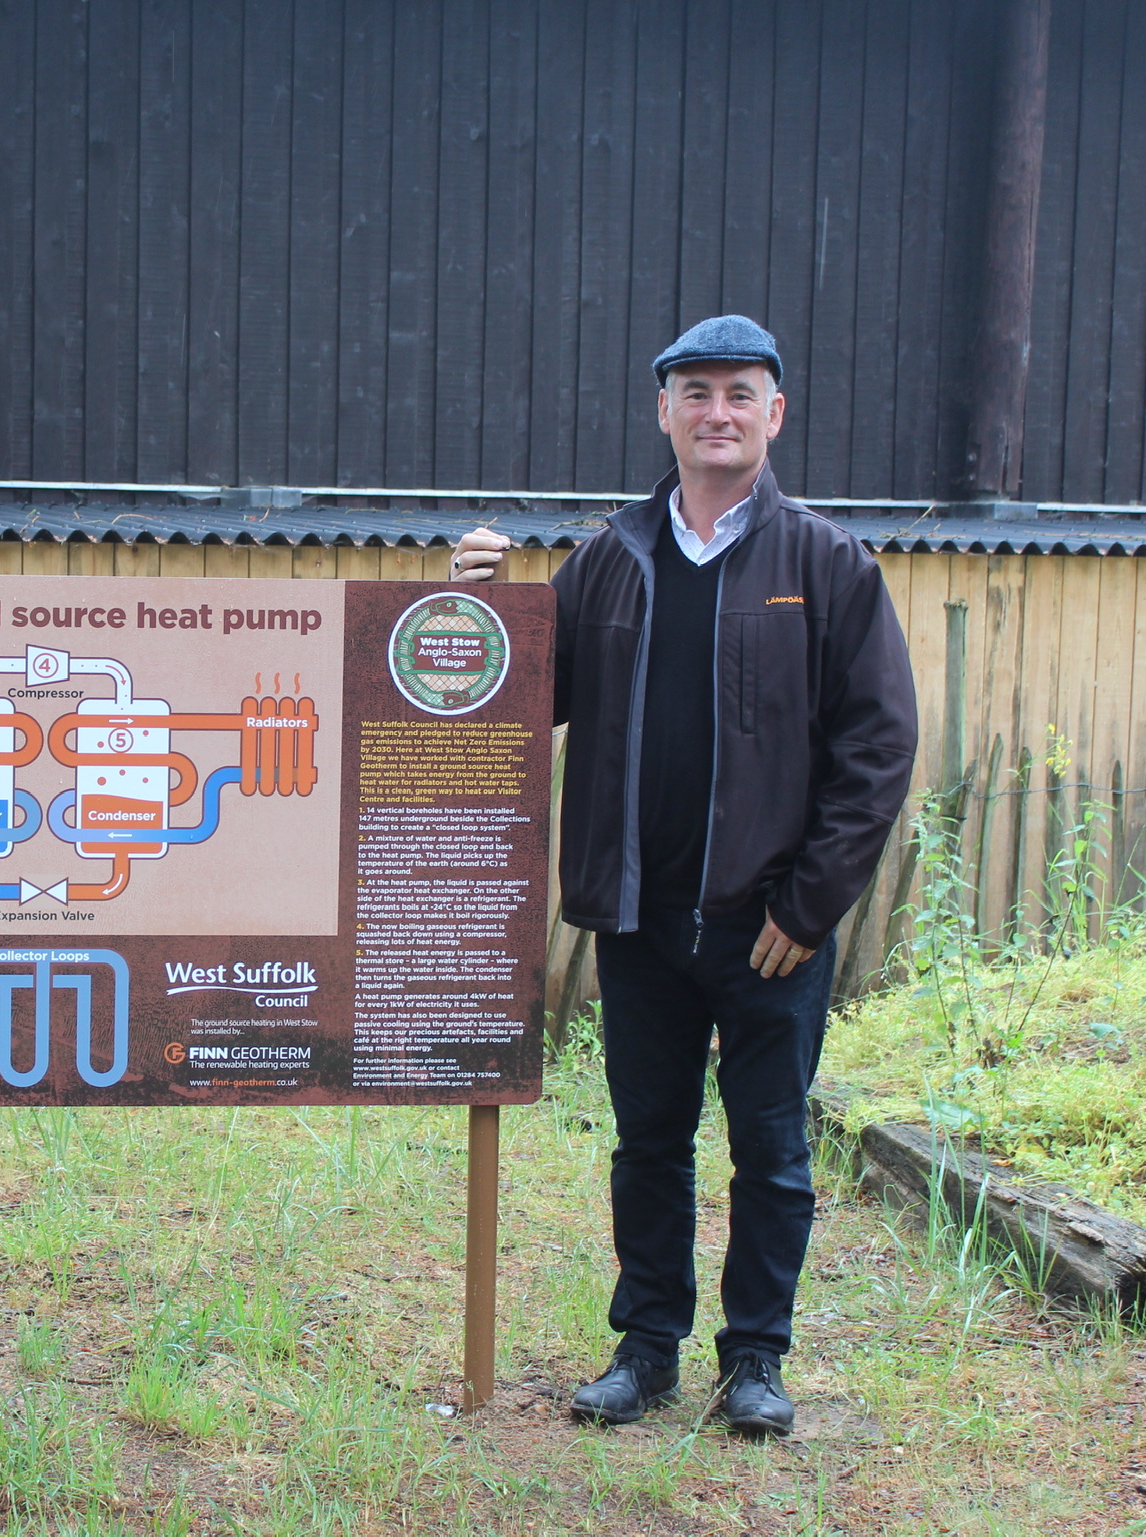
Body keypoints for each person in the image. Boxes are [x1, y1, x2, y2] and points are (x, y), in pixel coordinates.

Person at [450, 315, 917, 1434]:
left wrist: (809, 905)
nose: (718, 411)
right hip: (638, 913)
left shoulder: (826, 564)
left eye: (740, 393)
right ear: (662, 411)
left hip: (769, 927)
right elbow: (521, 701)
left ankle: (753, 1358)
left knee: (772, 1149)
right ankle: (645, 1345)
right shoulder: (610, 558)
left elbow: (878, 746)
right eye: (695, 392)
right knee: (647, 1140)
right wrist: (480, 601)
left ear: (774, 414)